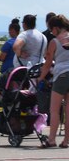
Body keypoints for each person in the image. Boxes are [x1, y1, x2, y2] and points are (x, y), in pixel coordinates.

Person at [38, 13, 69, 149]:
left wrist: (40, 77)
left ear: (56, 28)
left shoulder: (55, 42)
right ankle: (66, 141)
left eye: (51, 30)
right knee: (68, 111)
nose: (51, 32)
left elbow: (48, 63)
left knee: (54, 110)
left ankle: (51, 140)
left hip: (61, 76)